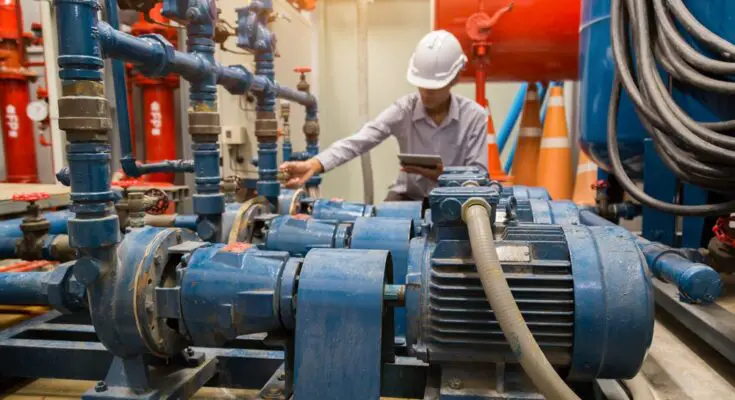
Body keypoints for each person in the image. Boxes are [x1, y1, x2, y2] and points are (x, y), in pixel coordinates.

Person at [279, 30, 488, 201]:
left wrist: (443, 175)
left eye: (433, 89)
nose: (424, 93)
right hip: (407, 196)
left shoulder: (474, 117)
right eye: (421, 86)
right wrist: (314, 164)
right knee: (381, 235)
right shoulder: (404, 109)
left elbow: (478, 176)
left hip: (455, 196)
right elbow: (360, 140)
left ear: (455, 79)